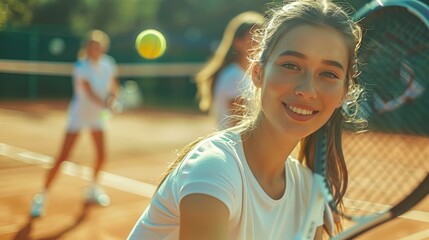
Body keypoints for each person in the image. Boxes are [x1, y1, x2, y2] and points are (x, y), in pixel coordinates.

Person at [128, 0, 362, 239]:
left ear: (344, 92)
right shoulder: (214, 168)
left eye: (329, 74)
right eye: (291, 65)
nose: (308, 89)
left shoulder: (309, 194)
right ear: (258, 73)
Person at [30, 29, 120, 217]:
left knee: (102, 155)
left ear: (102, 48)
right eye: (91, 46)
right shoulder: (80, 67)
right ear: (87, 48)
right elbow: (88, 92)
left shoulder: (109, 64)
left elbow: (113, 86)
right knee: (63, 156)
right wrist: (107, 104)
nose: (94, 49)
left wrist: (112, 98)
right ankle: (41, 196)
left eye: (98, 46)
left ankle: (93, 189)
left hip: (98, 116)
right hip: (79, 115)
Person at [195, 11, 264, 129]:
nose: (259, 43)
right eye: (253, 38)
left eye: (261, 38)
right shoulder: (234, 76)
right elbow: (241, 127)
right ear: (238, 42)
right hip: (236, 146)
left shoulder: (241, 74)